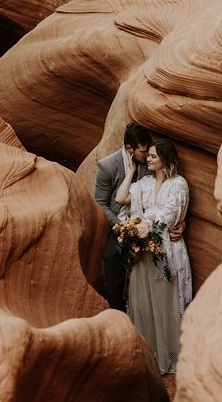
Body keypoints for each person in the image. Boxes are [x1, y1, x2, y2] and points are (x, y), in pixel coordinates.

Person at [115, 139, 192, 374]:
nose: (148, 159)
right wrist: (130, 172)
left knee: (165, 300)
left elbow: (170, 214)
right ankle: (148, 355)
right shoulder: (144, 182)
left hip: (166, 250)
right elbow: (120, 198)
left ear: (165, 159)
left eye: (153, 156)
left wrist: (144, 224)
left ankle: (170, 355)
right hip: (143, 252)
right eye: (147, 155)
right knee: (143, 301)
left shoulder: (179, 184)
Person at [94, 123, 152, 310]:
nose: (147, 155)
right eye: (143, 151)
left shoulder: (149, 163)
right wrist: (121, 227)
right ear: (129, 149)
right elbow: (100, 203)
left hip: (145, 226)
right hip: (116, 228)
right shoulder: (108, 166)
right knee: (114, 280)